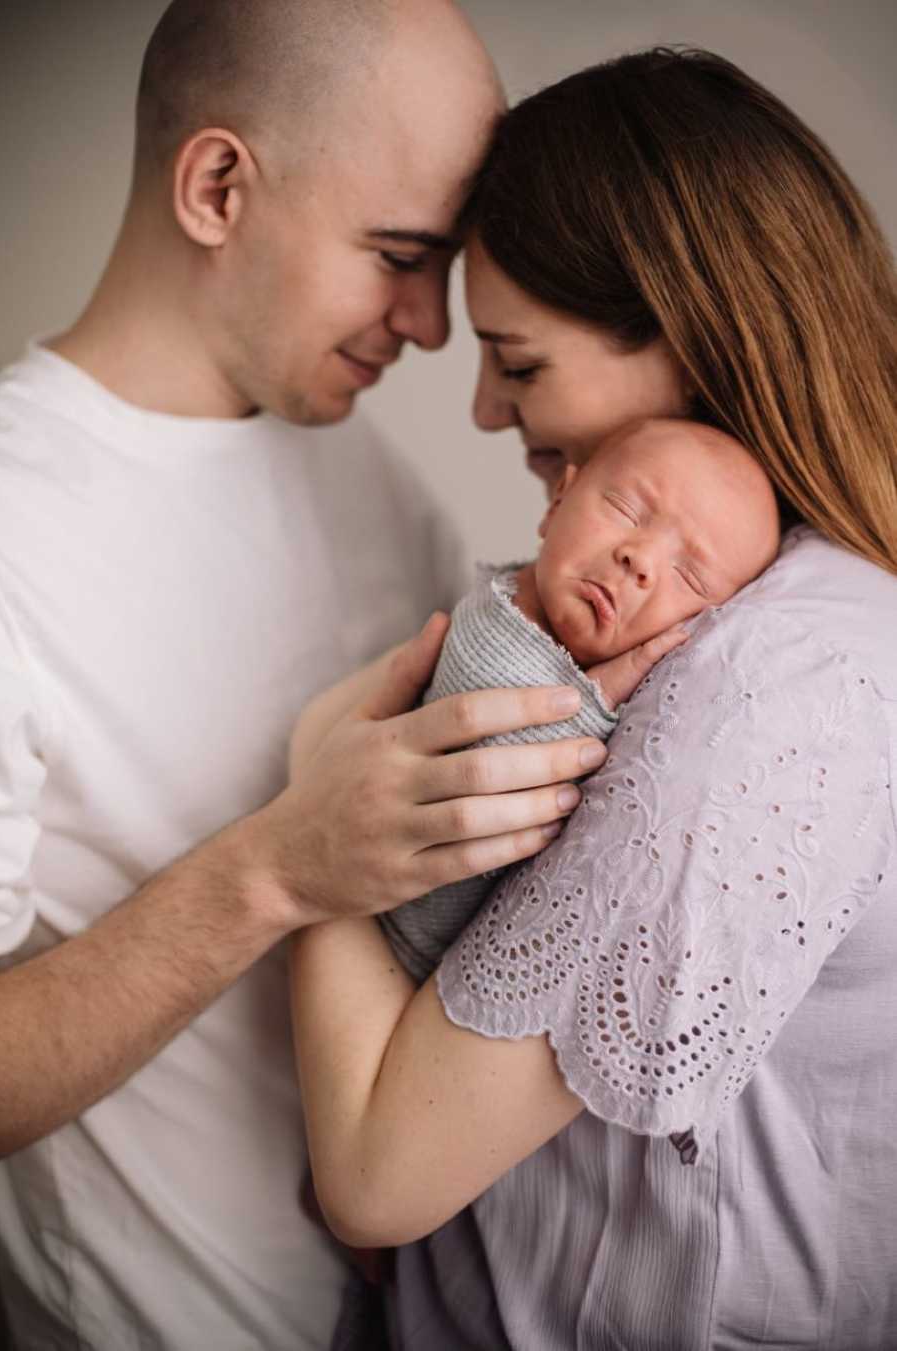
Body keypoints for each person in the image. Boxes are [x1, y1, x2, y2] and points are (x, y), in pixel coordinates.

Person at [0, 3, 607, 1348]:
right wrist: (276, 867)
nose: (433, 328)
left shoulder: (375, 480)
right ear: (218, 186)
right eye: (398, 254)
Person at [288, 48, 897, 1349]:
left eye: (519, 358)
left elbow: (379, 1171)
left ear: (688, 331)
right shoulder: (770, 609)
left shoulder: (762, 686)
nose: (484, 401)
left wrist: (313, 807)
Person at [381, 416, 781, 981]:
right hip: (393, 934)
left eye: (688, 577)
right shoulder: (495, 619)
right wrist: (614, 683)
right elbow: (501, 745)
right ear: (557, 501)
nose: (639, 560)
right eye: (625, 511)